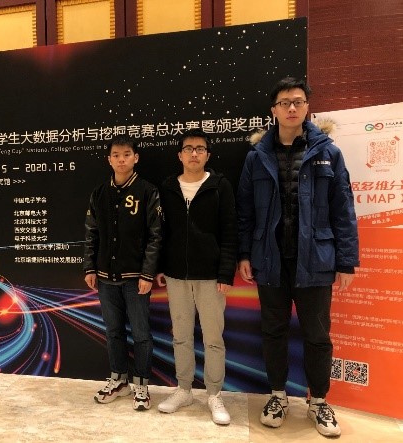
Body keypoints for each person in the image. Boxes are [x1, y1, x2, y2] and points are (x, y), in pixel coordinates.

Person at [236, 77, 359, 437]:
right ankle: (278, 396)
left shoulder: (328, 153)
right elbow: (245, 212)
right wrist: (244, 253)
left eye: (298, 101)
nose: (291, 108)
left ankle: (318, 402)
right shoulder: (256, 157)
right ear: (273, 110)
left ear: (307, 107)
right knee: (273, 332)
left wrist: (346, 260)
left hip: (316, 259)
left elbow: (343, 209)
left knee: (317, 334)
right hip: (269, 259)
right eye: (284, 102)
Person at [155, 128, 237, 425]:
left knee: (213, 338)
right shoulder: (168, 187)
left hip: (211, 276)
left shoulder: (220, 186)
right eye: (188, 148)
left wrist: (225, 272)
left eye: (200, 149)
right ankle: (184, 389)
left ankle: (214, 394)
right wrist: (160, 266)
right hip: (176, 276)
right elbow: (161, 232)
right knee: (181, 336)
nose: (194, 153)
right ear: (180, 155)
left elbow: (230, 231)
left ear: (208, 155)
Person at [83, 135, 162, 411]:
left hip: (135, 277)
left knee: (141, 333)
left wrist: (147, 273)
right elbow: (91, 233)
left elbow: (155, 236)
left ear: (135, 158)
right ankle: (119, 379)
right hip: (105, 277)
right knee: (113, 331)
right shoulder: (99, 193)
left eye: (126, 154)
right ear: (109, 159)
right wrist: (90, 267)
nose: (121, 159)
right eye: (115, 155)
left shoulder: (147, 191)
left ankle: (141, 384)